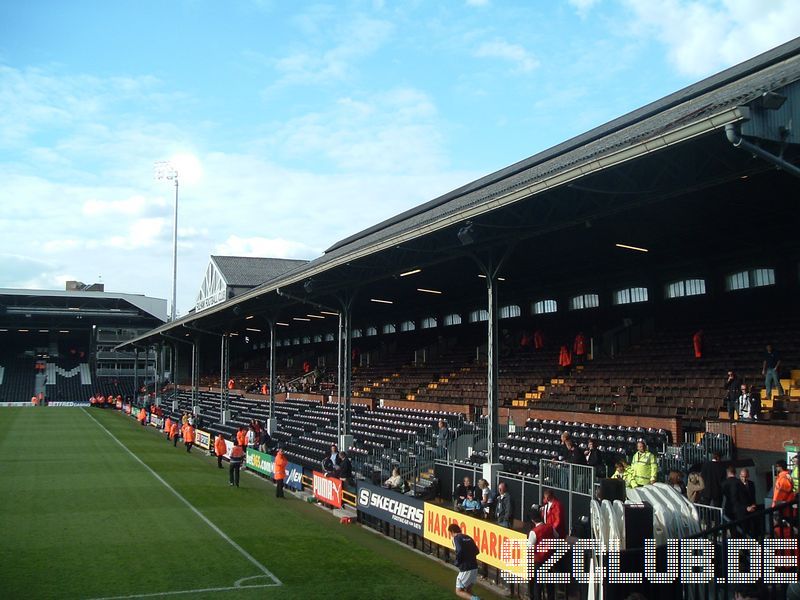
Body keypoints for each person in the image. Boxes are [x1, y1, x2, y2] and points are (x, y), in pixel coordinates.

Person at [446, 523, 481, 600]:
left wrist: (457, 562)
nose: (450, 535)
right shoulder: (468, 537)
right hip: (474, 567)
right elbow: (477, 551)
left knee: (458, 591)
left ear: (452, 531)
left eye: (449, 533)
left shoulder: (456, 538)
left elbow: (460, 550)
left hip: (466, 569)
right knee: (468, 590)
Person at [527, 509, 555, 600]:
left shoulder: (533, 532)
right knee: (550, 585)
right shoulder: (550, 527)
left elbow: (529, 547)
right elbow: (557, 536)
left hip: (539, 561)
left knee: (538, 586)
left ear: (532, 520)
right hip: (549, 559)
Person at [737, 468, 758, 536]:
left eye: (745, 477)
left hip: (752, 509)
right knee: (744, 530)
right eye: (742, 476)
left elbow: (753, 496)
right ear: (740, 476)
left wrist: (754, 505)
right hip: (743, 511)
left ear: (748, 476)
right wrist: (746, 508)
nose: (744, 478)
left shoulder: (751, 484)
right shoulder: (737, 485)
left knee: (753, 529)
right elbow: (737, 500)